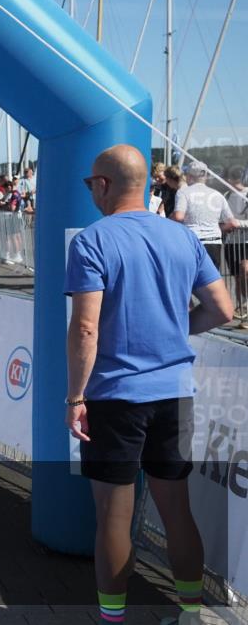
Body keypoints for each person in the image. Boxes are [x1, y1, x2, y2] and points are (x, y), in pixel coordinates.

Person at [64, 145, 233, 625]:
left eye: (89, 184)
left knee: (114, 516)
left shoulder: (93, 241)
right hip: (175, 392)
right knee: (176, 510)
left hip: (116, 396)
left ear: (102, 184)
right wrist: (177, 332)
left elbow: (85, 329)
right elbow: (222, 309)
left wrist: (75, 397)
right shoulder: (181, 238)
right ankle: (191, 614)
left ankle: (113, 618)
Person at [171, 161, 239, 271]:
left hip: (192, 242)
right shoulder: (217, 195)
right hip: (214, 244)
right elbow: (233, 223)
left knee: (191, 282)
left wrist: (167, 220)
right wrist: (217, 228)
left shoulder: (183, 192)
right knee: (211, 283)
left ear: (189, 176)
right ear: (206, 176)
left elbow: (178, 216)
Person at [223, 167, 248, 328]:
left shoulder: (246, 194)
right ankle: (243, 307)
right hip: (231, 242)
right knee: (238, 277)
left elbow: (236, 221)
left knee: (245, 269)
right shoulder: (225, 195)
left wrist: (238, 224)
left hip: (246, 241)